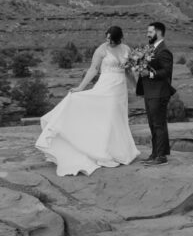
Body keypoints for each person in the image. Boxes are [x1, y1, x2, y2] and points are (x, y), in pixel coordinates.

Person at [36, 25, 139, 177]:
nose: (108, 41)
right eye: (107, 38)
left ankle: (118, 150)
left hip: (119, 89)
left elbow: (128, 71)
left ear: (119, 39)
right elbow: (93, 69)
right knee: (106, 118)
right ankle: (101, 151)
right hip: (106, 86)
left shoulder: (126, 49)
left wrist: (137, 87)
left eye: (111, 39)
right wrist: (80, 87)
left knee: (117, 118)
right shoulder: (101, 50)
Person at [135, 21, 175, 165]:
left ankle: (161, 157)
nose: (147, 34)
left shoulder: (164, 51)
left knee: (159, 124)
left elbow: (166, 72)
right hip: (150, 92)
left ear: (158, 33)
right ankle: (155, 153)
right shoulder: (150, 49)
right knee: (153, 124)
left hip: (159, 92)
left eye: (150, 32)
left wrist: (149, 74)